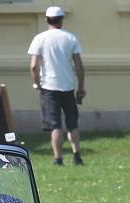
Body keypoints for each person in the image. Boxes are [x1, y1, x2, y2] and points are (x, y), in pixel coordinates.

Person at [28, 6, 86, 166]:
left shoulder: (39, 38)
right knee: (72, 123)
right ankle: (77, 155)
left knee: (55, 125)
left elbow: (33, 66)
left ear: (47, 20)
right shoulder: (70, 38)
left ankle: (58, 158)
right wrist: (81, 86)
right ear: (61, 19)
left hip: (48, 86)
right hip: (67, 85)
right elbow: (79, 66)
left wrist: (37, 84)